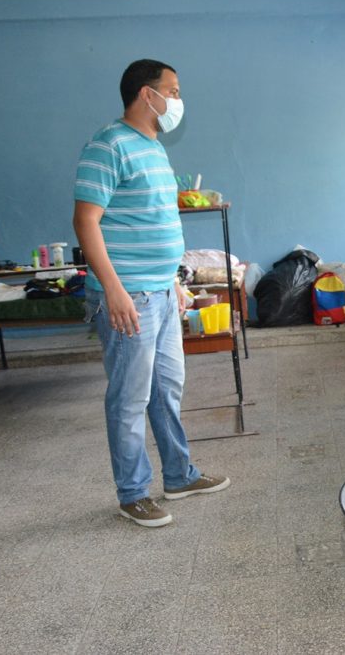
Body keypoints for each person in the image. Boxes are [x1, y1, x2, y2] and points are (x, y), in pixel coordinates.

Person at [73, 59, 230, 528]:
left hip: (160, 293)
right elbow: (86, 221)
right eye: (173, 90)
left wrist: (174, 283)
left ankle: (179, 475)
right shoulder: (108, 145)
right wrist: (115, 290)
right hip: (128, 297)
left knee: (166, 390)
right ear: (147, 94)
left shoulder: (154, 148)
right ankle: (133, 493)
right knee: (129, 398)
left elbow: (156, 221)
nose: (178, 100)